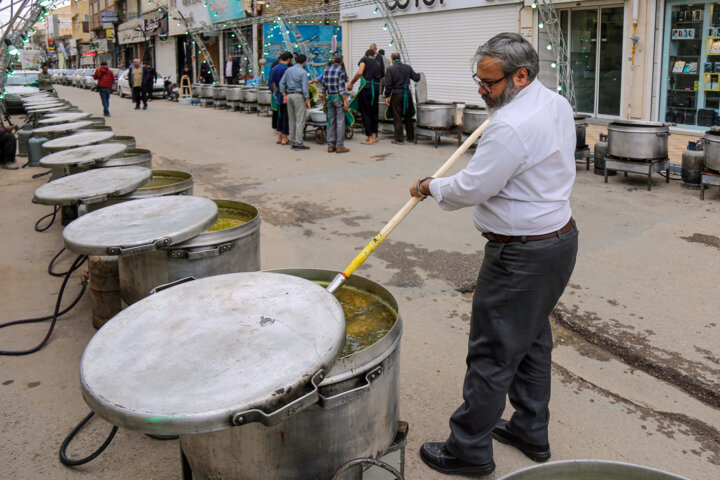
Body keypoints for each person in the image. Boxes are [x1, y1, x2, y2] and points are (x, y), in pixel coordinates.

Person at [411, 33, 578, 477]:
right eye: (478, 81)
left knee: (492, 354)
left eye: (489, 83)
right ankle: (529, 431)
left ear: (520, 76)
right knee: (532, 342)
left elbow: (473, 186)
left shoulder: (509, 125)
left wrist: (430, 186)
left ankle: (468, 450)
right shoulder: (555, 103)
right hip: (557, 241)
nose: (481, 91)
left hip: (521, 257)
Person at [383, 52, 420, 144]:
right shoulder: (407, 67)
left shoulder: (390, 69)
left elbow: (388, 85)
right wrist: (418, 74)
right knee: (408, 116)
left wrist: (387, 96)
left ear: (392, 60)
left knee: (397, 117)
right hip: (407, 94)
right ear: (400, 59)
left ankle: (399, 139)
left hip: (396, 95)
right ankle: (411, 137)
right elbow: (416, 78)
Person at [348, 49, 382, 145]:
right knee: (374, 113)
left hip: (366, 89)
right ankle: (374, 137)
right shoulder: (378, 63)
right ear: (374, 55)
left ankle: (369, 138)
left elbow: (360, 72)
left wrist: (351, 83)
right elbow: (382, 78)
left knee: (366, 113)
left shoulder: (364, 60)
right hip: (375, 90)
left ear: (366, 55)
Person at [279, 53, 311, 151]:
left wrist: (284, 94)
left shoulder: (288, 70)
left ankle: (293, 141)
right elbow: (305, 87)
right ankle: (299, 143)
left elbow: (281, 83)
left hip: (289, 96)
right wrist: (308, 100)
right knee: (300, 120)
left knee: (291, 119)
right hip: (298, 95)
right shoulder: (303, 72)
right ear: (304, 62)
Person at [320, 54, 350, 154]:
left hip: (329, 97)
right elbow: (342, 89)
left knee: (330, 121)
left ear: (333, 60)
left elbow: (323, 88)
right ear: (341, 61)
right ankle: (340, 145)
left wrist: (324, 101)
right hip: (338, 97)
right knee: (340, 122)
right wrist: (345, 102)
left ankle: (330, 145)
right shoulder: (340, 70)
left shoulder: (325, 70)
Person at [270, 52, 292, 145]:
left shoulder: (274, 68)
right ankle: (284, 138)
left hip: (277, 95)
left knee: (279, 115)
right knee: (286, 116)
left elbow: (270, 82)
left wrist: (275, 91)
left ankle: (279, 137)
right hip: (286, 95)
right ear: (289, 59)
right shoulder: (288, 69)